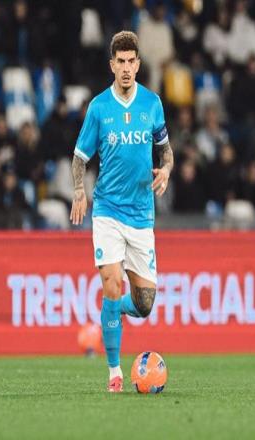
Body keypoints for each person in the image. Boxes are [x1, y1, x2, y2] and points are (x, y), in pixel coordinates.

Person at [69, 31, 174, 392]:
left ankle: (110, 313)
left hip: (142, 214)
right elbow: (79, 157)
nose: (126, 68)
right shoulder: (99, 107)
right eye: (120, 62)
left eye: (131, 61)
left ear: (138, 64)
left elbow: (166, 150)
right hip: (108, 211)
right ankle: (114, 372)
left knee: (144, 304)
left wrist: (167, 169)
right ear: (112, 65)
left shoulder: (152, 103)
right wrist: (79, 190)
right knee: (112, 284)